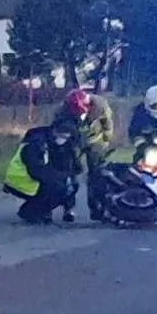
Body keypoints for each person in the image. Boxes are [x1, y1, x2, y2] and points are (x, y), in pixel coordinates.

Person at [3, 117, 81, 225]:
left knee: (68, 186)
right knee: (59, 188)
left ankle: (41, 211)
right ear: (55, 131)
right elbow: (36, 170)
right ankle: (30, 212)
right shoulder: (37, 142)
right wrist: (59, 177)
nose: (63, 139)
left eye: (66, 137)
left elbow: (72, 165)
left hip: (30, 179)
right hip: (20, 180)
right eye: (62, 136)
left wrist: (68, 173)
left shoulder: (55, 143)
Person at [53, 88, 114, 221]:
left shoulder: (100, 104)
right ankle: (69, 208)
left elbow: (107, 123)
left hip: (95, 141)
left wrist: (106, 140)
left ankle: (97, 208)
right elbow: (56, 129)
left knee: (96, 175)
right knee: (69, 173)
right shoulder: (61, 111)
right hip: (74, 142)